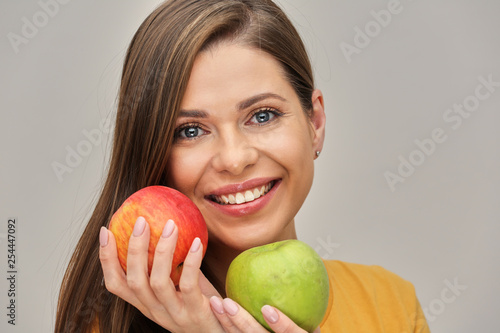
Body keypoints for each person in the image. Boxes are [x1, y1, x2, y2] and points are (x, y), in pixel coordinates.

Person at [55, 0, 431, 332]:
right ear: (155, 151)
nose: (234, 159)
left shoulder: (390, 308)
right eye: (190, 130)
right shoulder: (101, 328)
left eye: (263, 115)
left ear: (314, 123)